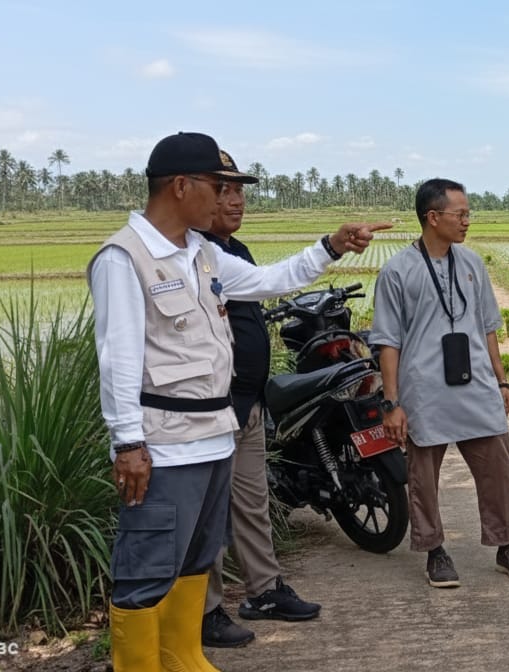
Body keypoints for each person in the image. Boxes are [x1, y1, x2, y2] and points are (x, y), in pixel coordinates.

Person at [90, 131, 386, 671]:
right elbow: (120, 359)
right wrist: (127, 442)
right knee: (148, 568)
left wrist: (331, 246)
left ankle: (182, 656)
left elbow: (268, 280)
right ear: (182, 186)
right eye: (217, 186)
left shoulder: (202, 253)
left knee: (197, 559)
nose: (229, 198)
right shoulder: (124, 258)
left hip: (214, 436)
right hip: (164, 444)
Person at [369, 178, 509, 589]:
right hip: (425, 389)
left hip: (477, 385)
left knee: (498, 467)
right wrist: (392, 403)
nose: (466, 222)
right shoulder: (398, 271)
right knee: (423, 475)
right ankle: (434, 550)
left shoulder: (472, 264)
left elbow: (489, 328)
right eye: (460, 214)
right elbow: (388, 341)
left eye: (467, 214)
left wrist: (501, 382)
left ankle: (506, 545)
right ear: (432, 217)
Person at [197, 152, 321, 649]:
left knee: (251, 501)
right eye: (224, 189)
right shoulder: (193, 253)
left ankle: (264, 590)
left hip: (246, 402)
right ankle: (204, 609)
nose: (235, 200)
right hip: (210, 405)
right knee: (207, 509)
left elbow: (263, 291)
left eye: (240, 191)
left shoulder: (235, 251)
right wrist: (329, 246)